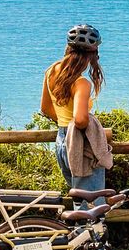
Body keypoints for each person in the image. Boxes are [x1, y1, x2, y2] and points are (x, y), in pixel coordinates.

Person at [40, 24, 113, 192]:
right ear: (92, 54)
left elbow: (45, 108)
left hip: (61, 141)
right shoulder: (81, 83)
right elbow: (80, 119)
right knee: (92, 204)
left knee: (79, 200)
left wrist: (64, 124)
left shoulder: (51, 71)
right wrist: (87, 127)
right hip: (79, 144)